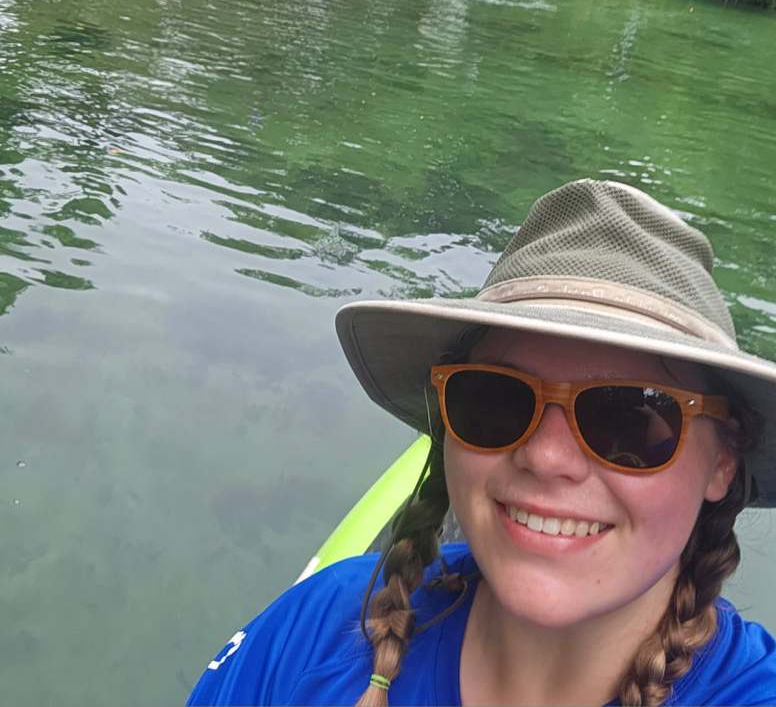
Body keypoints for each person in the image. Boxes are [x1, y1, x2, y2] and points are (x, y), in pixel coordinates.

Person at [187, 179, 776, 706]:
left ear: (722, 460)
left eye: (628, 419)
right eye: (496, 399)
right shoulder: (314, 630)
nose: (545, 457)